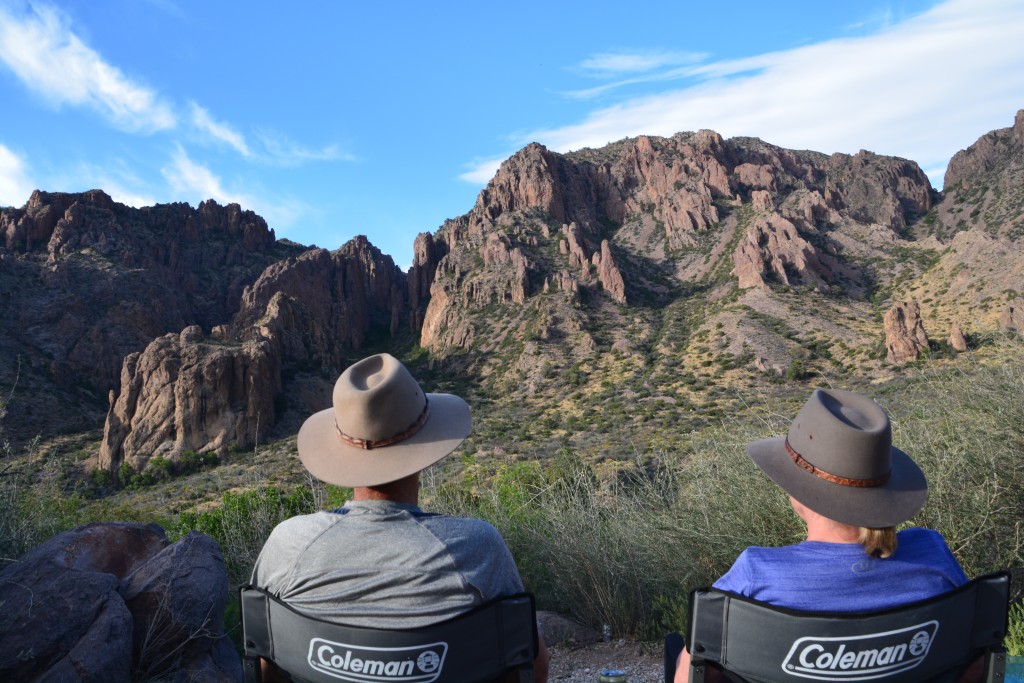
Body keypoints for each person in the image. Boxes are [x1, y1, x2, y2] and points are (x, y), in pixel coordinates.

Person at [252, 353, 549, 682]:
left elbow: (265, 662)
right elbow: (531, 665)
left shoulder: (288, 543)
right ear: (423, 450)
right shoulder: (478, 547)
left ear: (342, 453)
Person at [674, 388, 968, 683]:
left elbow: (692, 674)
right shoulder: (932, 555)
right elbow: (973, 659)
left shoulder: (758, 574)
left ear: (798, 491)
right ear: (884, 491)